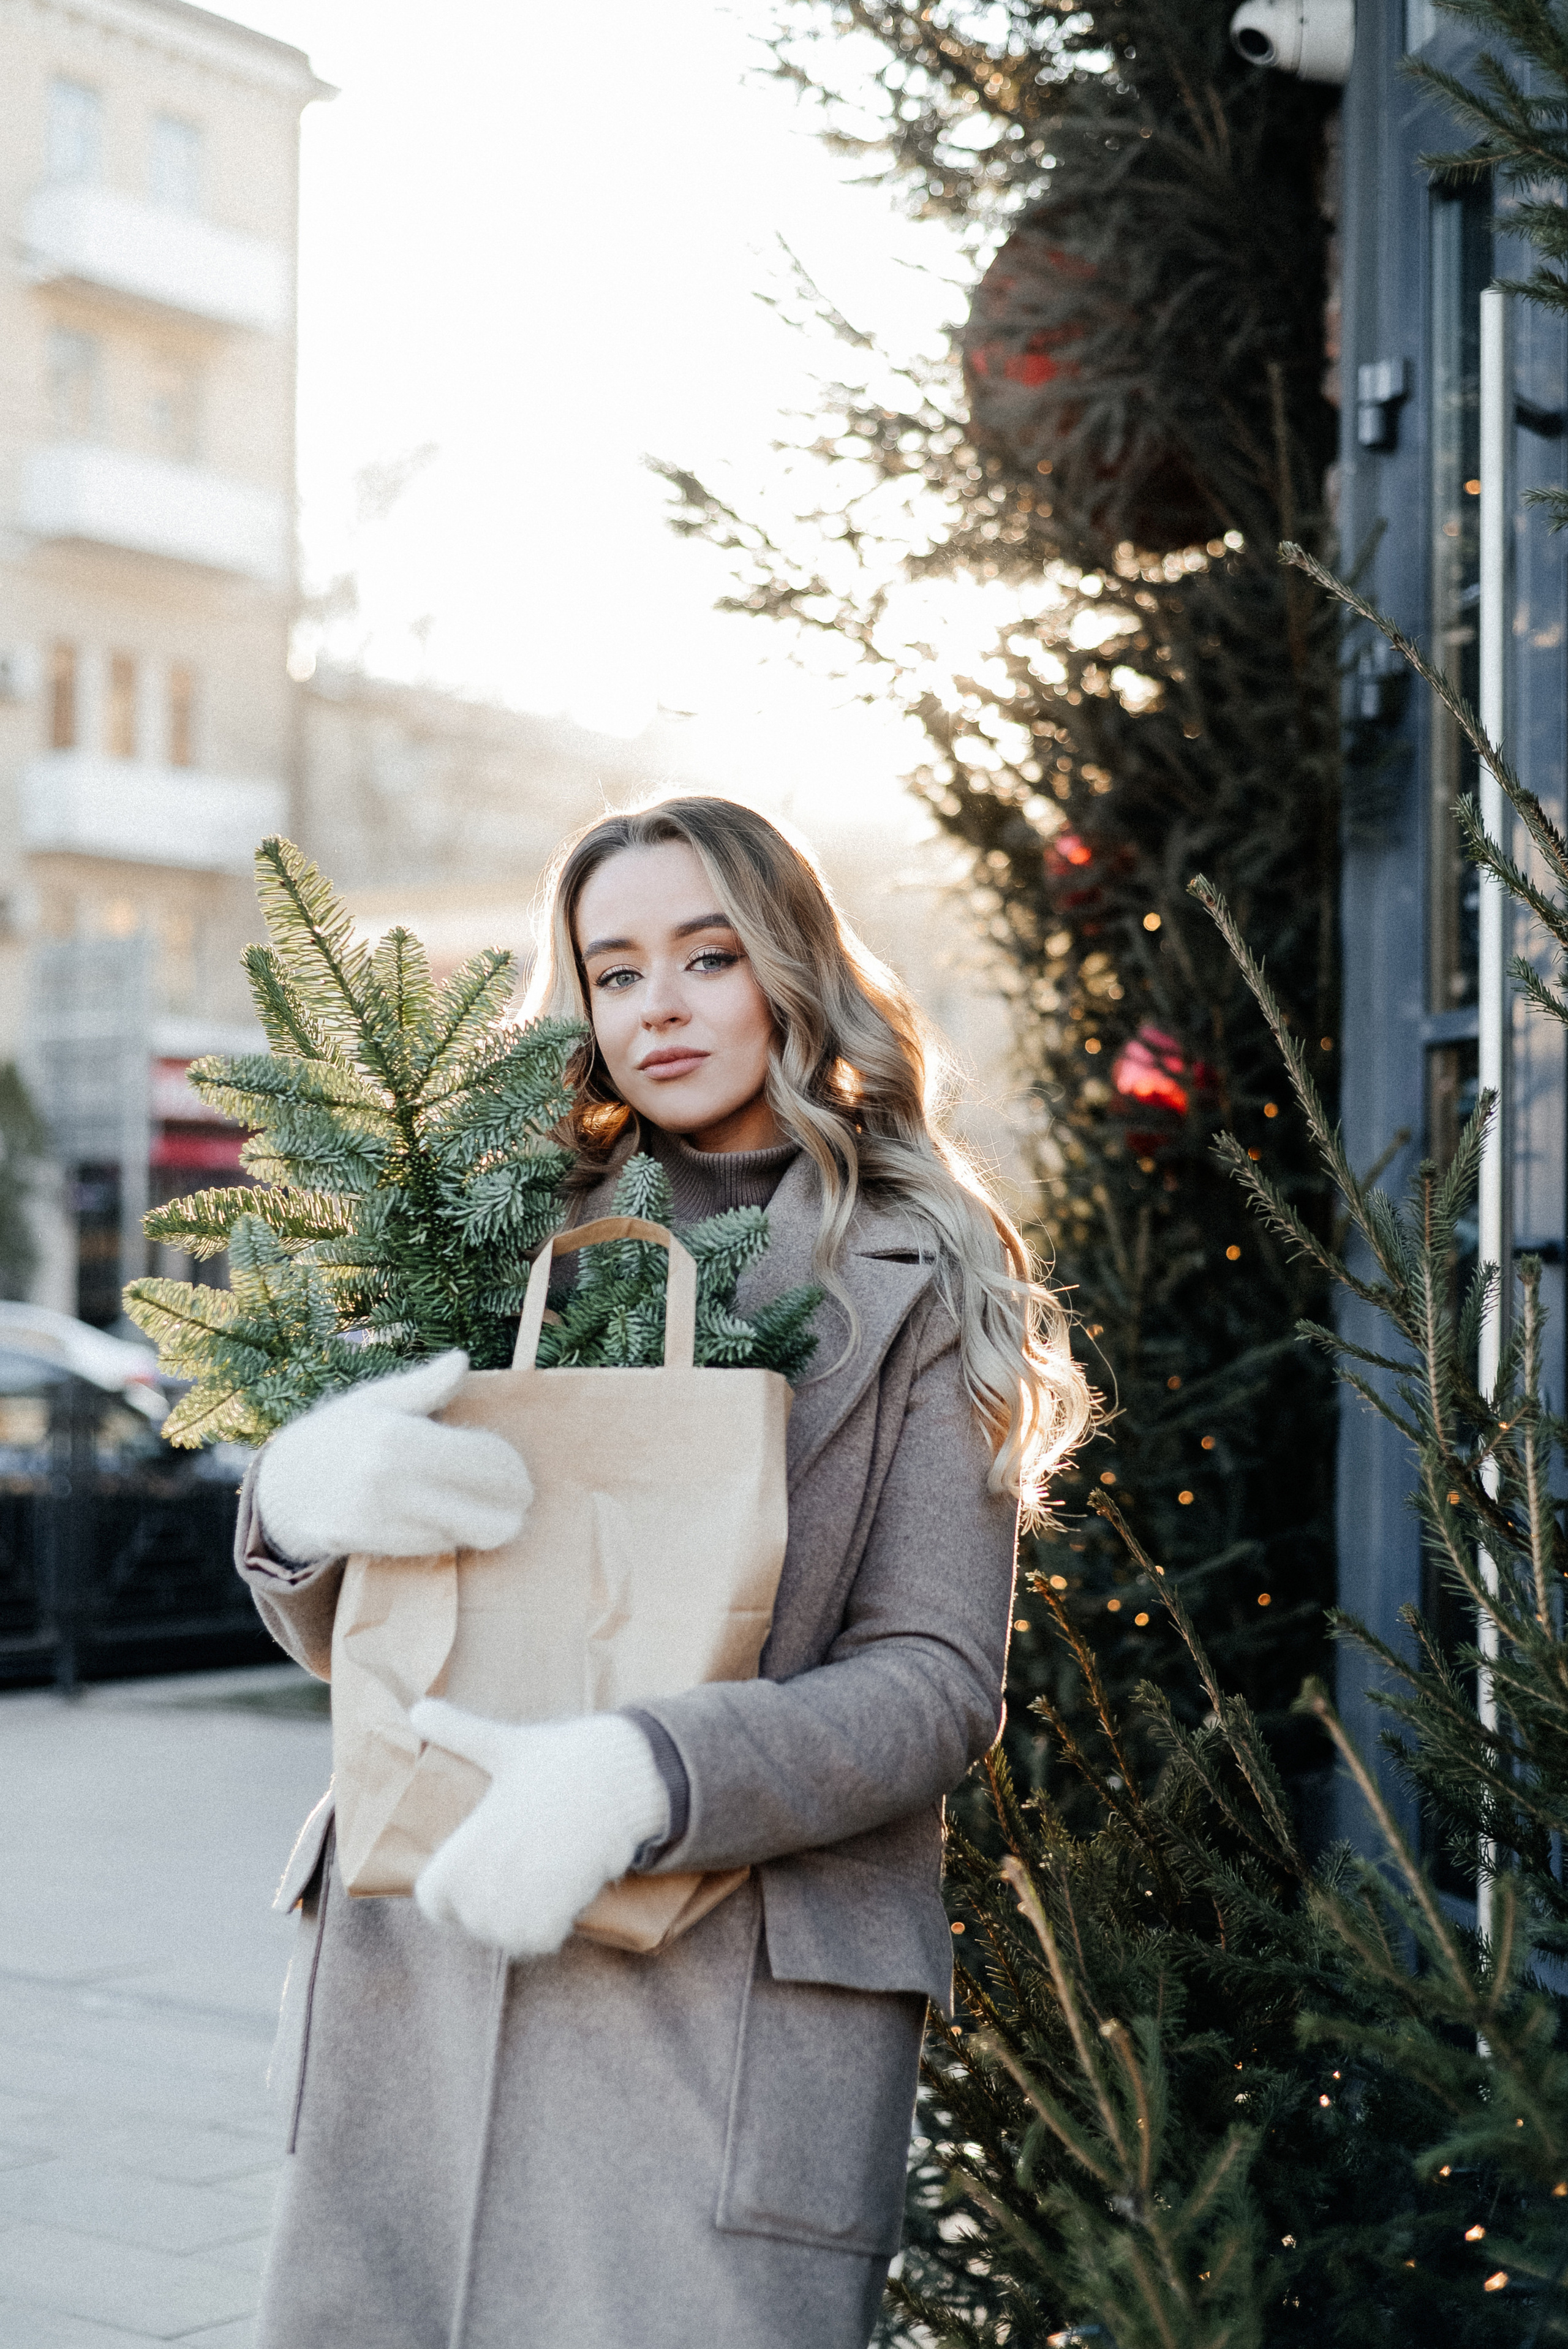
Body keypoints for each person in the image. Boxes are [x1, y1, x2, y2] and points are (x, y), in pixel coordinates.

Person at [236, 796, 1091, 2349]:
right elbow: (348, 1630)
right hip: (424, 1951)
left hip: (723, 1994)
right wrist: (303, 1503)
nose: (661, 1005)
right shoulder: (485, 1237)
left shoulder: (924, 1262)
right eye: (615, 969)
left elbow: (934, 1682)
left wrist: (646, 1776)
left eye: (706, 954)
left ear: (789, 969)